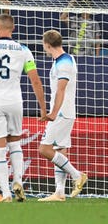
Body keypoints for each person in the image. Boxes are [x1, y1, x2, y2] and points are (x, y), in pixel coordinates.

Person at [0, 14, 47, 202]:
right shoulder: (23, 50)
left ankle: (5, 193)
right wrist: (43, 109)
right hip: (15, 102)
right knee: (14, 143)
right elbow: (36, 81)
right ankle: (19, 182)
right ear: (13, 29)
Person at [37, 29, 88, 202]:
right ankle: (60, 192)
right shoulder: (62, 60)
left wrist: (53, 113)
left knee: (44, 149)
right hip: (65, 112)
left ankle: (77, 175)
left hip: (61, 112)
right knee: (60, 150)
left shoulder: (64, 62)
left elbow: (61, 89)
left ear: (47, 45)